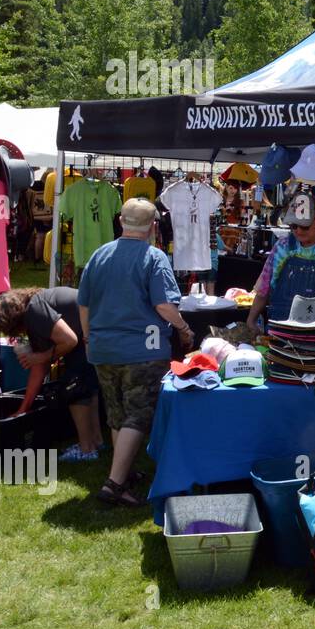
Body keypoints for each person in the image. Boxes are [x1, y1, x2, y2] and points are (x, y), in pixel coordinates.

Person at [78, 199, 192, 507]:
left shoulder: (99, 255)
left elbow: (84, 303)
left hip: (103, 348)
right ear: (154, 226)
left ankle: (123, 474)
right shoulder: (154, 257)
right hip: (143, 349)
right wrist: (184, 329)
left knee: (117, 414)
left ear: (120, 220)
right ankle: (114, 483)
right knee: (138, 415)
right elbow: (165, 306)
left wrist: (88, 337)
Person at [0, 286, 102, 461]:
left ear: (7, 319)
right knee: (86, 387)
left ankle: (87, 449)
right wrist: (23, 409)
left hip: (94, 331)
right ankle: (96, 442)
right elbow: (39, 368)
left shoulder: (35, 311)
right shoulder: (34, 313)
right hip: (92, 332)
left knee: (74, 387)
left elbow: (69, 340)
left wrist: (40, 356)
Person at [247, 192, 315, 326]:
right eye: (294, 226)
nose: (298, 231)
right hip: (282, 326)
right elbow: (264, 287)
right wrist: (251, 320)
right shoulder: (282, 247)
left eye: (304, 226)